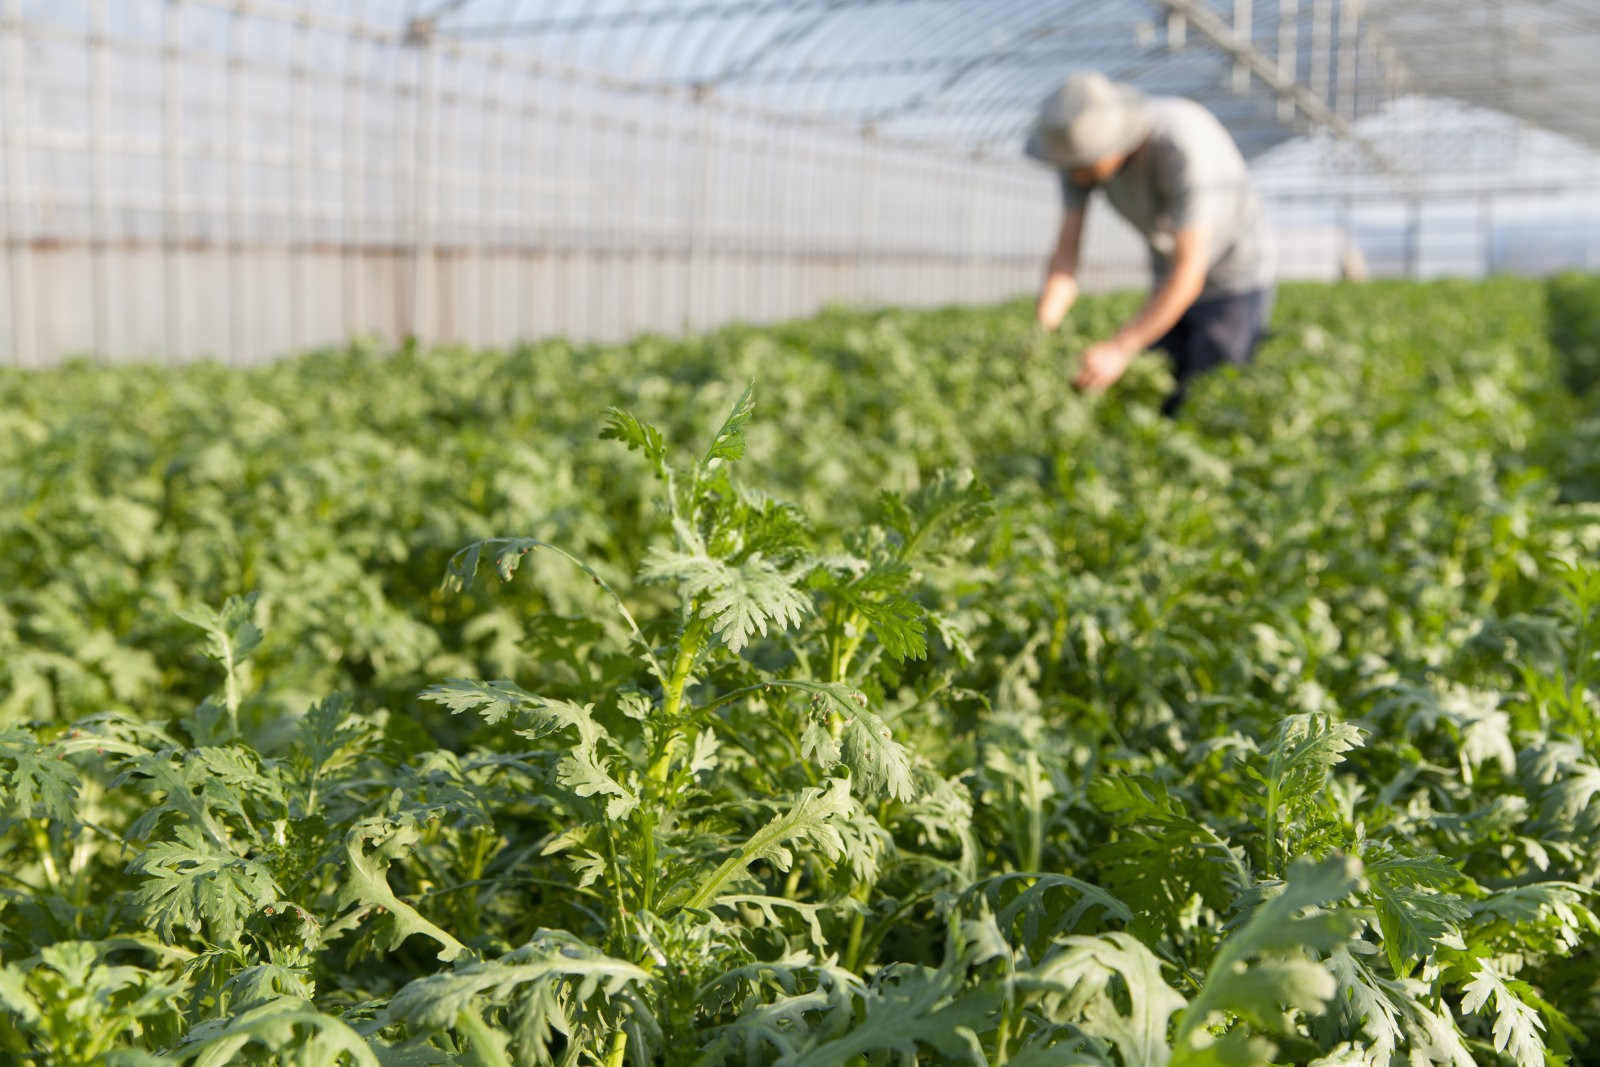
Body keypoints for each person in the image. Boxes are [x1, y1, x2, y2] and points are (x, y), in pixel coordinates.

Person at [1026, 71, 1275, 415]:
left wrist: (1119, 348)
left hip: (1233, 274)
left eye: (1083, 166)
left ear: (1114, 144)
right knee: (1163, 386)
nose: (1074, 176)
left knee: (1214, 387)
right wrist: (1042, 330)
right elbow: (1066, 256)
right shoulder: (1077, 161)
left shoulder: (1182, 145)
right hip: (1169, 273)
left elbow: (1191, 267)